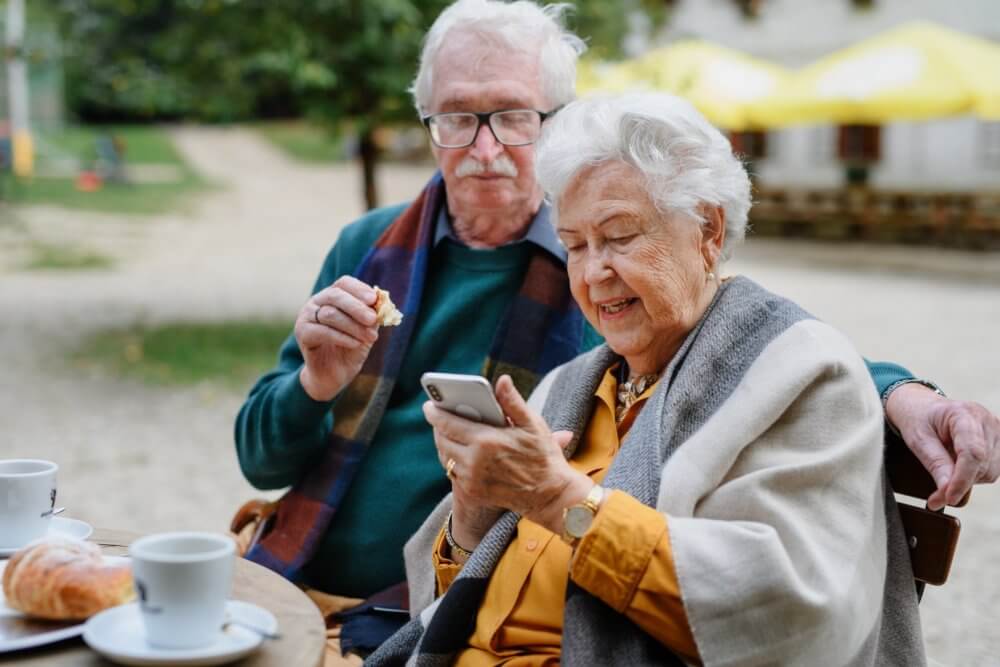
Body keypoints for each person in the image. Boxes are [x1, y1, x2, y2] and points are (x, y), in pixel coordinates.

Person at [233, 0, 1000, 660]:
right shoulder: (368, 250)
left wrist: (900, 391)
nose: (485, 146)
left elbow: (753, 347)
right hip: (307, 568)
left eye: (511, 115)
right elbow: (260, 457)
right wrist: (313, 383)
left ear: (553, 121)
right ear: (430, 125)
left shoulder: (602, 276)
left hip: (403, 608)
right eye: (458, 118)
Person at [368, 92, 925, 666]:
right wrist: (477, 501)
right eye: (575, 245)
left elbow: (786, 610)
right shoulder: (569, 386)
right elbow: (451, 595)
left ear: (708, 229)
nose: (591, 273)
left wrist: (559, 498)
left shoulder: (802, 374)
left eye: (619, 236)